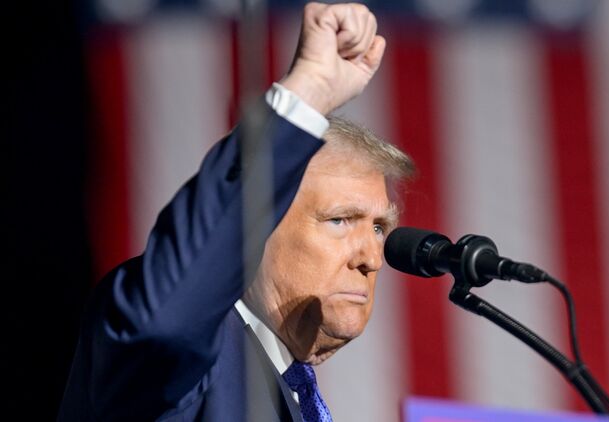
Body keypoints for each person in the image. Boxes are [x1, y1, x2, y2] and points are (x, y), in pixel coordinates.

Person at [58, 3, 414, 421]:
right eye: (339, 220)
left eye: (378, 228)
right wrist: (309, 93)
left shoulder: (288, 388)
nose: (372, 258)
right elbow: (166, 323)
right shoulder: (199, 365)